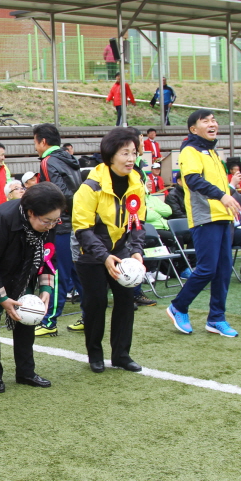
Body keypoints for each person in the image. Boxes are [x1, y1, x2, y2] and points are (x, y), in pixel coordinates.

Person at [0, 183, 65, 393]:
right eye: (47, 221)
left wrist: (46, 288)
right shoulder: (3, 218)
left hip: (23, 271)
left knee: (27, 317)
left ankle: (26, 372)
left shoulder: (49, 221)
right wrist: (2, 299)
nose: (51, 226)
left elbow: (48, 255)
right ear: (31, 212)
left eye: (55, 221)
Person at [72, 127, 146, 373]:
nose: (130, 159)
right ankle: (95, 354)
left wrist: (136, 250)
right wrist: (104, 257)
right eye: (125, 153)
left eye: (134, 153)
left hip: (122, 252)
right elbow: (83, 229)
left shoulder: (137, 183)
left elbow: (137, 222)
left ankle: (122, 355)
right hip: (92, 256)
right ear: (110, 155)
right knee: (96, 303)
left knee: (126, 302)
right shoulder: (90, 186)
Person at [166, 110, 241, 338]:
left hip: (224, 218)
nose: (212, 124)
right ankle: (179, 306)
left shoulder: (212, 152)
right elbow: (193, 179)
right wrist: (223, 195)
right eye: (205, 121)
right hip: (205, 218)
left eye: (214, 120)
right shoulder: (190, 150)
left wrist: (230, 192)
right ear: (193, 129)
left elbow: (217, 186)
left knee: (223, 271)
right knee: (207, 268)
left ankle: (216, 318)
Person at [33, 123, 84, 336]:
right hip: (78, 221)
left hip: (60, 224)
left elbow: (58, 194)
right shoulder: (70, 160)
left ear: (43, 141)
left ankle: (49, 320)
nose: (35, 146)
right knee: (78, 272)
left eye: (35, 142)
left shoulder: (48, 161)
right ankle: (89, 315)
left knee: (55, 271)